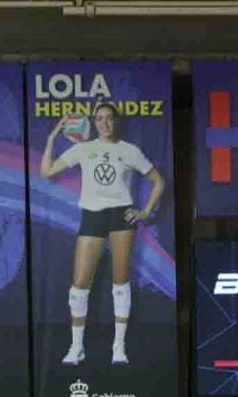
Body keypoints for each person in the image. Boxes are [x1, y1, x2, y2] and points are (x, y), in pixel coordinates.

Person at [39, 103, 167, 367]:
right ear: (94, 123)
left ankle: (118, 347)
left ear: (116, 122)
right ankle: (77, 347)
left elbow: (159, 181)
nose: (104, 123)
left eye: (109, 119)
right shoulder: (84, 149)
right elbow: (46, 172)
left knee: (120, 284)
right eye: (99, 119)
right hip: (93, 217)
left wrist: (145, 212)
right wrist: (52, 137)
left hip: (121, 216)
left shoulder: (129, 151)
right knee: (79, 286)